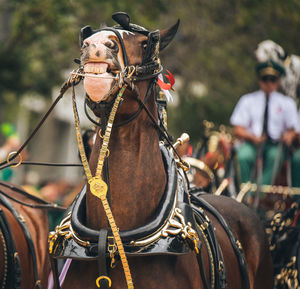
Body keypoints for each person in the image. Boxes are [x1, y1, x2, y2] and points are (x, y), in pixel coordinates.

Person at [230, 60, 298, 185]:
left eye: (272, 79)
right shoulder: (248, 100)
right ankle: (245, 187)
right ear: (259, 80)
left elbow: (294, 128)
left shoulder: (287, 103)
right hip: (253, 143)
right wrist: (252, 137)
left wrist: (289, 135)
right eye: (265, 79)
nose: (268, 83)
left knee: (274, 157)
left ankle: (256, 192)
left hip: (275, 144)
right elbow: (238, 128)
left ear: (278, 82)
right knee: (244, 155)